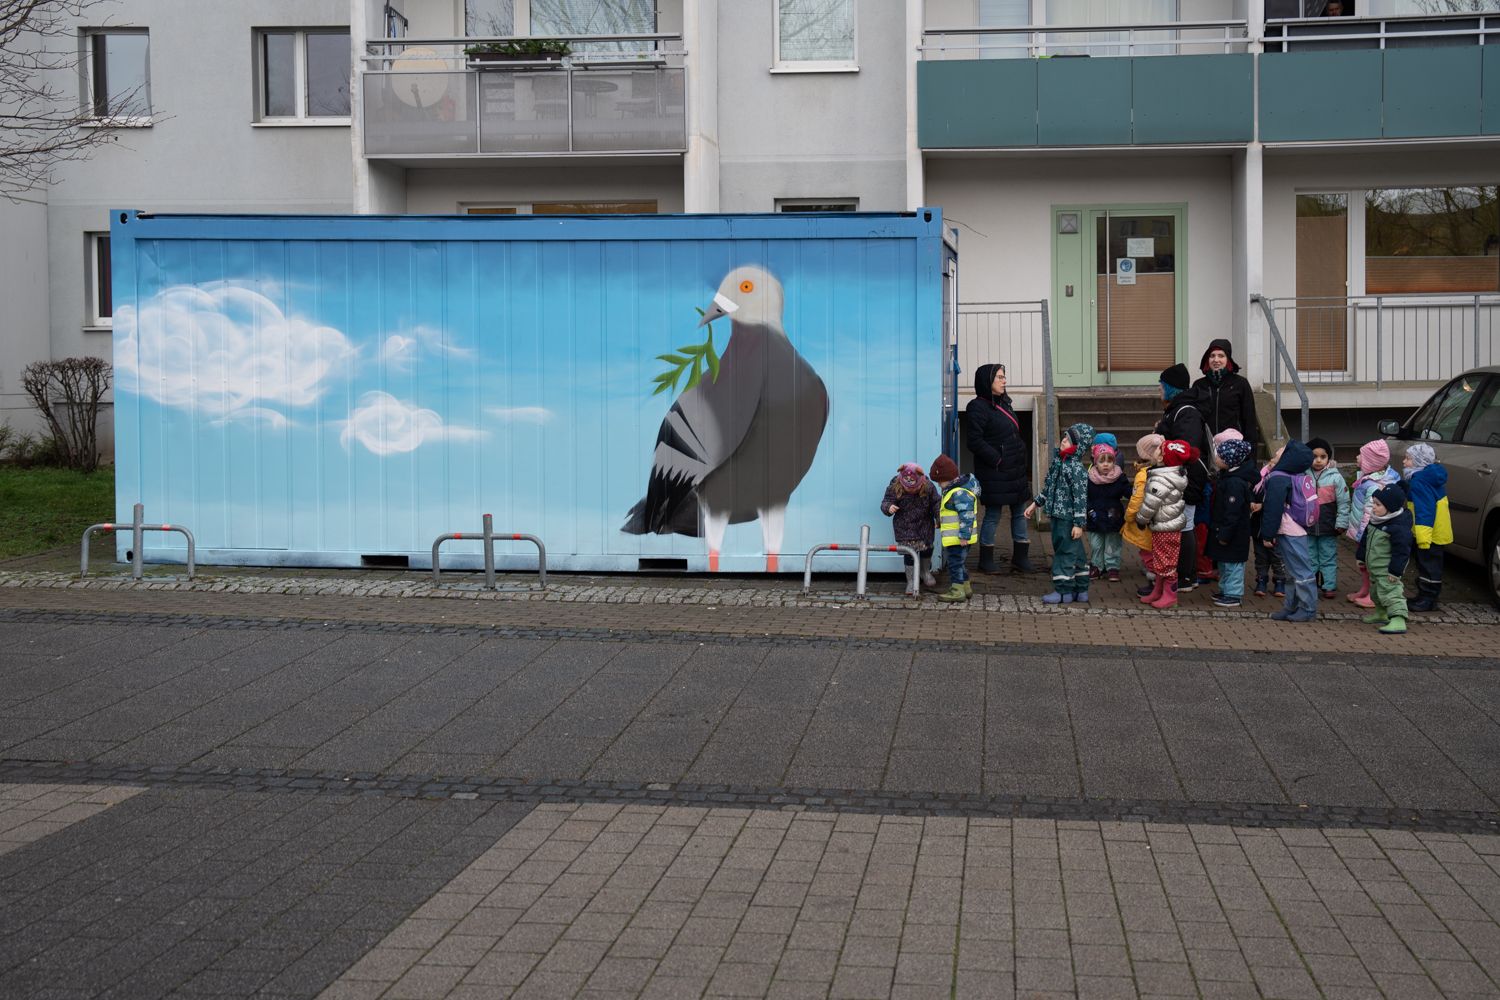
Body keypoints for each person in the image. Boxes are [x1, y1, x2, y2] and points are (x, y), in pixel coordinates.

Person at [965, 363, 1035, 574]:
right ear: (988, 381)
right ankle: (986, 559)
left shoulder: (1005, 402)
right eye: (1000, 377)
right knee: (993, 514)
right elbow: (974, 441)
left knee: (1019, 512)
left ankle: (1021, 558)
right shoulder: (977, 407)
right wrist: (997, 460)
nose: (1004, 381)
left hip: (1015, 469)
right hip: (995, 471)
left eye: (1004, 377)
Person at [1155, 364, 1212, 592]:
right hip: (1177, 475)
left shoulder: (1186, 412)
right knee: (1179, 525)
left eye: (1162, 386)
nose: (1159, 390)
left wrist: (1161, 438)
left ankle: (1186, 576)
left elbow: (1185, 448)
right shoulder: (1176, 409)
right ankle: (1176, 574)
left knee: (1185, 524)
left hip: (1187, 476)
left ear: (1172, 388)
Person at [1025, 422, 1094, 605]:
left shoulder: (1076, 469)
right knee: (1075, 552)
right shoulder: (1059, 463)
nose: (1063, 440)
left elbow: (1080, 498)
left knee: (1064, 553)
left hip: (1067, 519)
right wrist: (1035, 504)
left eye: (1068, 440)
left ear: (1077, 447)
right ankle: (1081, 589)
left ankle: (1063, 591)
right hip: (1057, 515)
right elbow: (1049, 487)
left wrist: (1078, 524)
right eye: (1064, 437)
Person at [1260, 440, 1319, 622]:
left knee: (1300, 571)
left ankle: (1307, 609)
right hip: (1296, 527)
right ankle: (1291, 607)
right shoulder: (1296, 474)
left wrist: (1267, 534)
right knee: (1293, 572)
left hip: (1288, 530)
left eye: (1282, 450)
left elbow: (1273, 509)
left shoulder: (1278, 478)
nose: (1277, 452)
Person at [1136, 439, 1194, 610]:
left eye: (1157, 450)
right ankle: (1159, 590)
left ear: (1162, 458)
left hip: (1165, 527)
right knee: (1160, 558)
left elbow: (1150, 504)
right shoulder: (1172, 475)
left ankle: (1170, 595)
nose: (1153, 451)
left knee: (1165, 560)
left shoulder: (1160, 479)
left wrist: (1141, 519)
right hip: (1166, 524)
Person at [1345, 439, 1401, 608]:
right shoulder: (1368, 478)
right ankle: (1365, 589)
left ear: (1371, 462)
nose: (1357, 457)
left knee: (1374, 564)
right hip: (1365, 531)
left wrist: (1364, 534)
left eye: (1361, 455)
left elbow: (1370, 512)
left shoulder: (1374, 485)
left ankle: (1374, 595)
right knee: (1364, 563)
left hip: (1370, 532)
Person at [1206, 438, 1257, 608]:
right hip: (1224, 528)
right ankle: (1225, 590)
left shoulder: (1234, 483)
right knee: (1224, 562)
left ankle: (1233, 594)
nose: (1216, 458)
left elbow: (1232, 512)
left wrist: (1225, 533)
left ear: (1229, 460)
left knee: (1233, 564)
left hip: (1233, 533)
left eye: (1219, 456)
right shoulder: (1227, 477)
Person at [1356, 483, 1412, 635]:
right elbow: (1365, 540)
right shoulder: (1376, 521)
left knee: (1391, 593)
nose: (1373, 507)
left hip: (1387, 570)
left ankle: (1398, 618)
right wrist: (1361, 557)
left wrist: (1395, 571)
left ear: (1390, 507)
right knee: (1376, 592)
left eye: (1378, 505)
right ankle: (1381, 613)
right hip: (1374, 568)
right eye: (1373, 503)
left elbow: (1402, 552)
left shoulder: (1398, 527)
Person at [1403, 443, 1452, 612]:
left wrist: (1423, 538)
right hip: (1436, 531)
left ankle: (1428, 598)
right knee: (1429, 565)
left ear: (1419, 461)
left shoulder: (1420, 481)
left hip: (1429, 533)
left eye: (1408, 459)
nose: (1404, 461)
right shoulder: (1428, 477)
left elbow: (1425, 510)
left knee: (1428, 566)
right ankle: (1426, 596)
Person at [881, 462, 942, 589]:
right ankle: (911, 580)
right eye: (907, 488)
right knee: (909, 553)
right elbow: (886, 501)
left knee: (926, 549)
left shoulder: (928, 486)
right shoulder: (895, 486)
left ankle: (925, 572)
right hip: (905, 525)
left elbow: (936, 502)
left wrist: (939, 517)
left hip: (924, 525)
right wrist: (888, 507)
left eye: (914, 488)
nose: (910, 490)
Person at [1193, 340, 1262, 445]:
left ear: (1228, 359)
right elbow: (1194, 419)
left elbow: (1249, 420)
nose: (1216, 360)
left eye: (1221, 356)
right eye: (1212, 356)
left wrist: (1251, 450)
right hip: (1205, 447)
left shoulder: (1240, 384)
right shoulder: (1199, 385)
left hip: (1233, 447)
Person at [1307, 438, 1351, 599]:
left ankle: (1329, 585)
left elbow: (1344, 502)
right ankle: (1311, 584)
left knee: (1328, 556)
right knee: (1310, 556)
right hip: (1308, 525)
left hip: (1329, 525)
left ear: (1328, 458)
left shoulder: (1335, 477)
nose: (1318, 460)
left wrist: (1341, 522)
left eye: (1323, 456)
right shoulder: (1303, 475)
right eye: (1314, 456)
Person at [931, 454, 979, 603]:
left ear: (949, 478)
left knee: (955, 564)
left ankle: (957, 590)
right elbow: (950, 512)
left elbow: (966, 515)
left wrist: (964, 535)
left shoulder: (959, 493)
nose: (939, 485)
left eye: (940, 481)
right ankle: (965, 588)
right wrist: (941, 523)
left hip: (959, 538)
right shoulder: (954, 490)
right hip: (957, 537)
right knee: (959, 563)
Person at [1085, 439, 1130, 582]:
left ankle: (1112, 567)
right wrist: (1088, 510)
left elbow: (1129, 492)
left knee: (1113, 544)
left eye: (1109, 461)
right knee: (1096, 544)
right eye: (1101, 461)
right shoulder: (1089, 478)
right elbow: (1085, 497)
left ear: (1114, 462)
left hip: (1113, 516)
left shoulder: (1119, 477)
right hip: (1095, 516)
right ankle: (1097, 566)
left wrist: (1136, 491)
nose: (1105, 464)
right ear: (1095, 463)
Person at [1122, 434, 1160, 583]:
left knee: (1147, 550)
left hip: (1144, 520)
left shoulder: (1143, 475)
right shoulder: (1161, 470)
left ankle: (1154, 579)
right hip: (1157, 519)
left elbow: (1137, 499)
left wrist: (1129, 516)